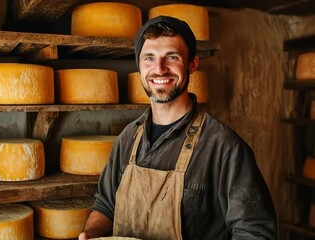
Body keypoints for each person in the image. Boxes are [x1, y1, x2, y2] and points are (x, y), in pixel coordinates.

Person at [78, 15, 277, 240]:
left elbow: (255, 233)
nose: (159, 69)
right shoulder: (127, 139)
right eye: (149, 58)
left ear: (192, 64)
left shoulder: (225, 148)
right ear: (140, 66)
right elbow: (106, 205)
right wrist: (90, 234)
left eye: (171, 57)